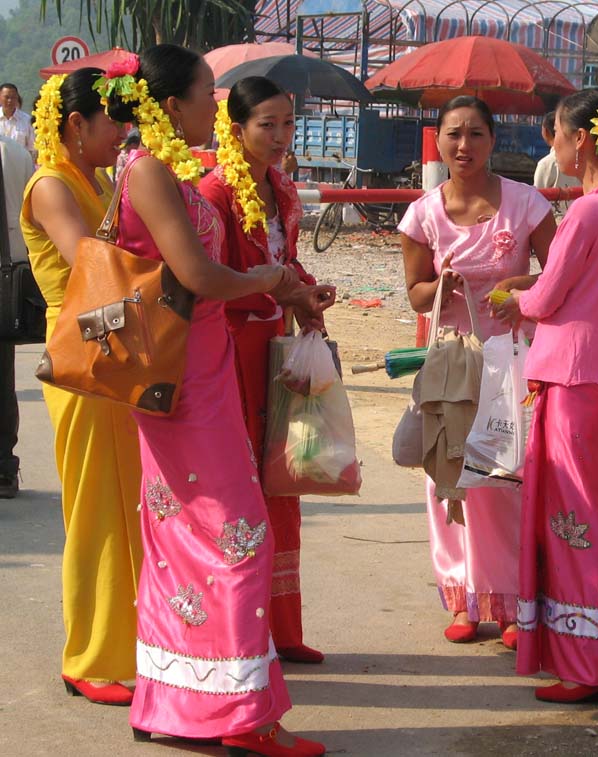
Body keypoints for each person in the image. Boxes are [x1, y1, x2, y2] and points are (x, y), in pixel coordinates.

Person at [102, 45, 331, 755]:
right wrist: (267, 276)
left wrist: (273, 279)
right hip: (184, 376)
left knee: (182, 536)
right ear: (172, 105)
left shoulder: (163, 168)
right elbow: (197, 273)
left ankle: (174, 698)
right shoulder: (148, 170)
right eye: (209, 93)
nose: (216, 105)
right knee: (238, 534)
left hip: (200, 368)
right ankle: (240, 713)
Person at [492, 88, 598, 703]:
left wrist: (515, 297)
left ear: (582, 139)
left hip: (569, 375)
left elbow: (546, 299)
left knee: (573, 513)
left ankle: (587, 662)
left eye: (556, 133)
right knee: (595, 506)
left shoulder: (587, 212)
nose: (551, 143)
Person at [398, 95, 556, 649]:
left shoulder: (527, 204)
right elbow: (416, 295)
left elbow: (559, 277)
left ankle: (511, 601)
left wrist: (517, 289)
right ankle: (463, 597)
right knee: (448, 476)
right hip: (451, 364)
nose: (463, 146)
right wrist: (440, 284)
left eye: (475, 135)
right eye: (453, 135)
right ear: (438, 141)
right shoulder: (422, 214)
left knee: (505, 478)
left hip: (514, 360)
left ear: (494, 141)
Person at [20, 68, 142, 701]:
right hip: (78, 353)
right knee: (95, 506)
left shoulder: (93, 178)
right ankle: (87, 658)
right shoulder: (50, 185)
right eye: (113, 121)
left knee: (128, 504)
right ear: (76, 125)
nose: (123, 133)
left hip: (111, 347)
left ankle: (132, 645)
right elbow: (88, 261)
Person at [200, 76, 330, 665]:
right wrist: (283, 293)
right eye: (266, 125)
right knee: (241, 489)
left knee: (281, 477)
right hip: (232, 352)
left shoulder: (280, 187)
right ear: (236, 128)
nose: (280, 137)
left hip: (275, 346)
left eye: (287, 124)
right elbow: (212, 283)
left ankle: (281, 629)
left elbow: (285, 262)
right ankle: (239, 635)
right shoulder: (215, 191)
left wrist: (303, 292)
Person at [0, 133, 33, 498]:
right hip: (10, 271)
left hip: (6, 272)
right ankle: (5, 466)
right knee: (3, 379)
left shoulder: (14, 152)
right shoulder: (16, 152)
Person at [533, 111, 580, 216]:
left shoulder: (546, 163)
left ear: (545, 132)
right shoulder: (581, 159)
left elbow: (536, 200)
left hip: (556, 222)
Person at [0, 83, 36, 158]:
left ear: (17, 98)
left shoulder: (26, 120)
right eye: (6, 97)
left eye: (13, 97)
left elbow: (32, 148)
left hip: (19, 165)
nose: (10, 100)